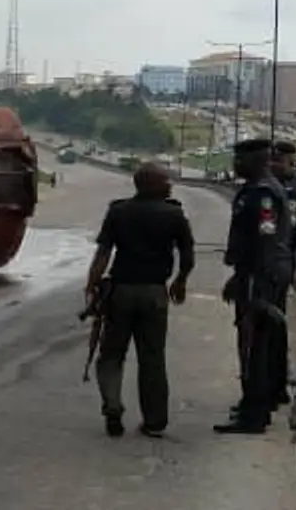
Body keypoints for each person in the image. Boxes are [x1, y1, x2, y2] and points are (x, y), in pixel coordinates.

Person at [84, 161, 195, 438]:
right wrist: (180, 280)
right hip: (154, 294)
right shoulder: (174, 215)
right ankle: (155, 422)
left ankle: (112, 405)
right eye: (165, 180)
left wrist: (92, 285)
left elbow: (103, 253)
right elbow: (188, 252)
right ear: (151, 184)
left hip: (120, 291)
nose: (170, 184)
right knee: (152, 359)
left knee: (111, 355)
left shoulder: (118, 211)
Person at [215, 137, 294, 435]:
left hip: (260, 276)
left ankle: (253, 414)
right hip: (261, 272)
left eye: (240, 159)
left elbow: (265, 237)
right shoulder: (256, 189)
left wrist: (242, 277)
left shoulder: (263, 194)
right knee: (261, 342)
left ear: (257, 161)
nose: (235, 165)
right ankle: (259, 402)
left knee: (254, 344)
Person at [266, 140, 296, 408]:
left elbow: (282, 233)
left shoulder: (289, 193)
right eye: (271, 160)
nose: (273, 165)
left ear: (291, 163)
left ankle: (275, 386)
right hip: (278, 264)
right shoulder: (277, 189)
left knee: (272, 329)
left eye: (279, 161)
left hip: (276, 266)